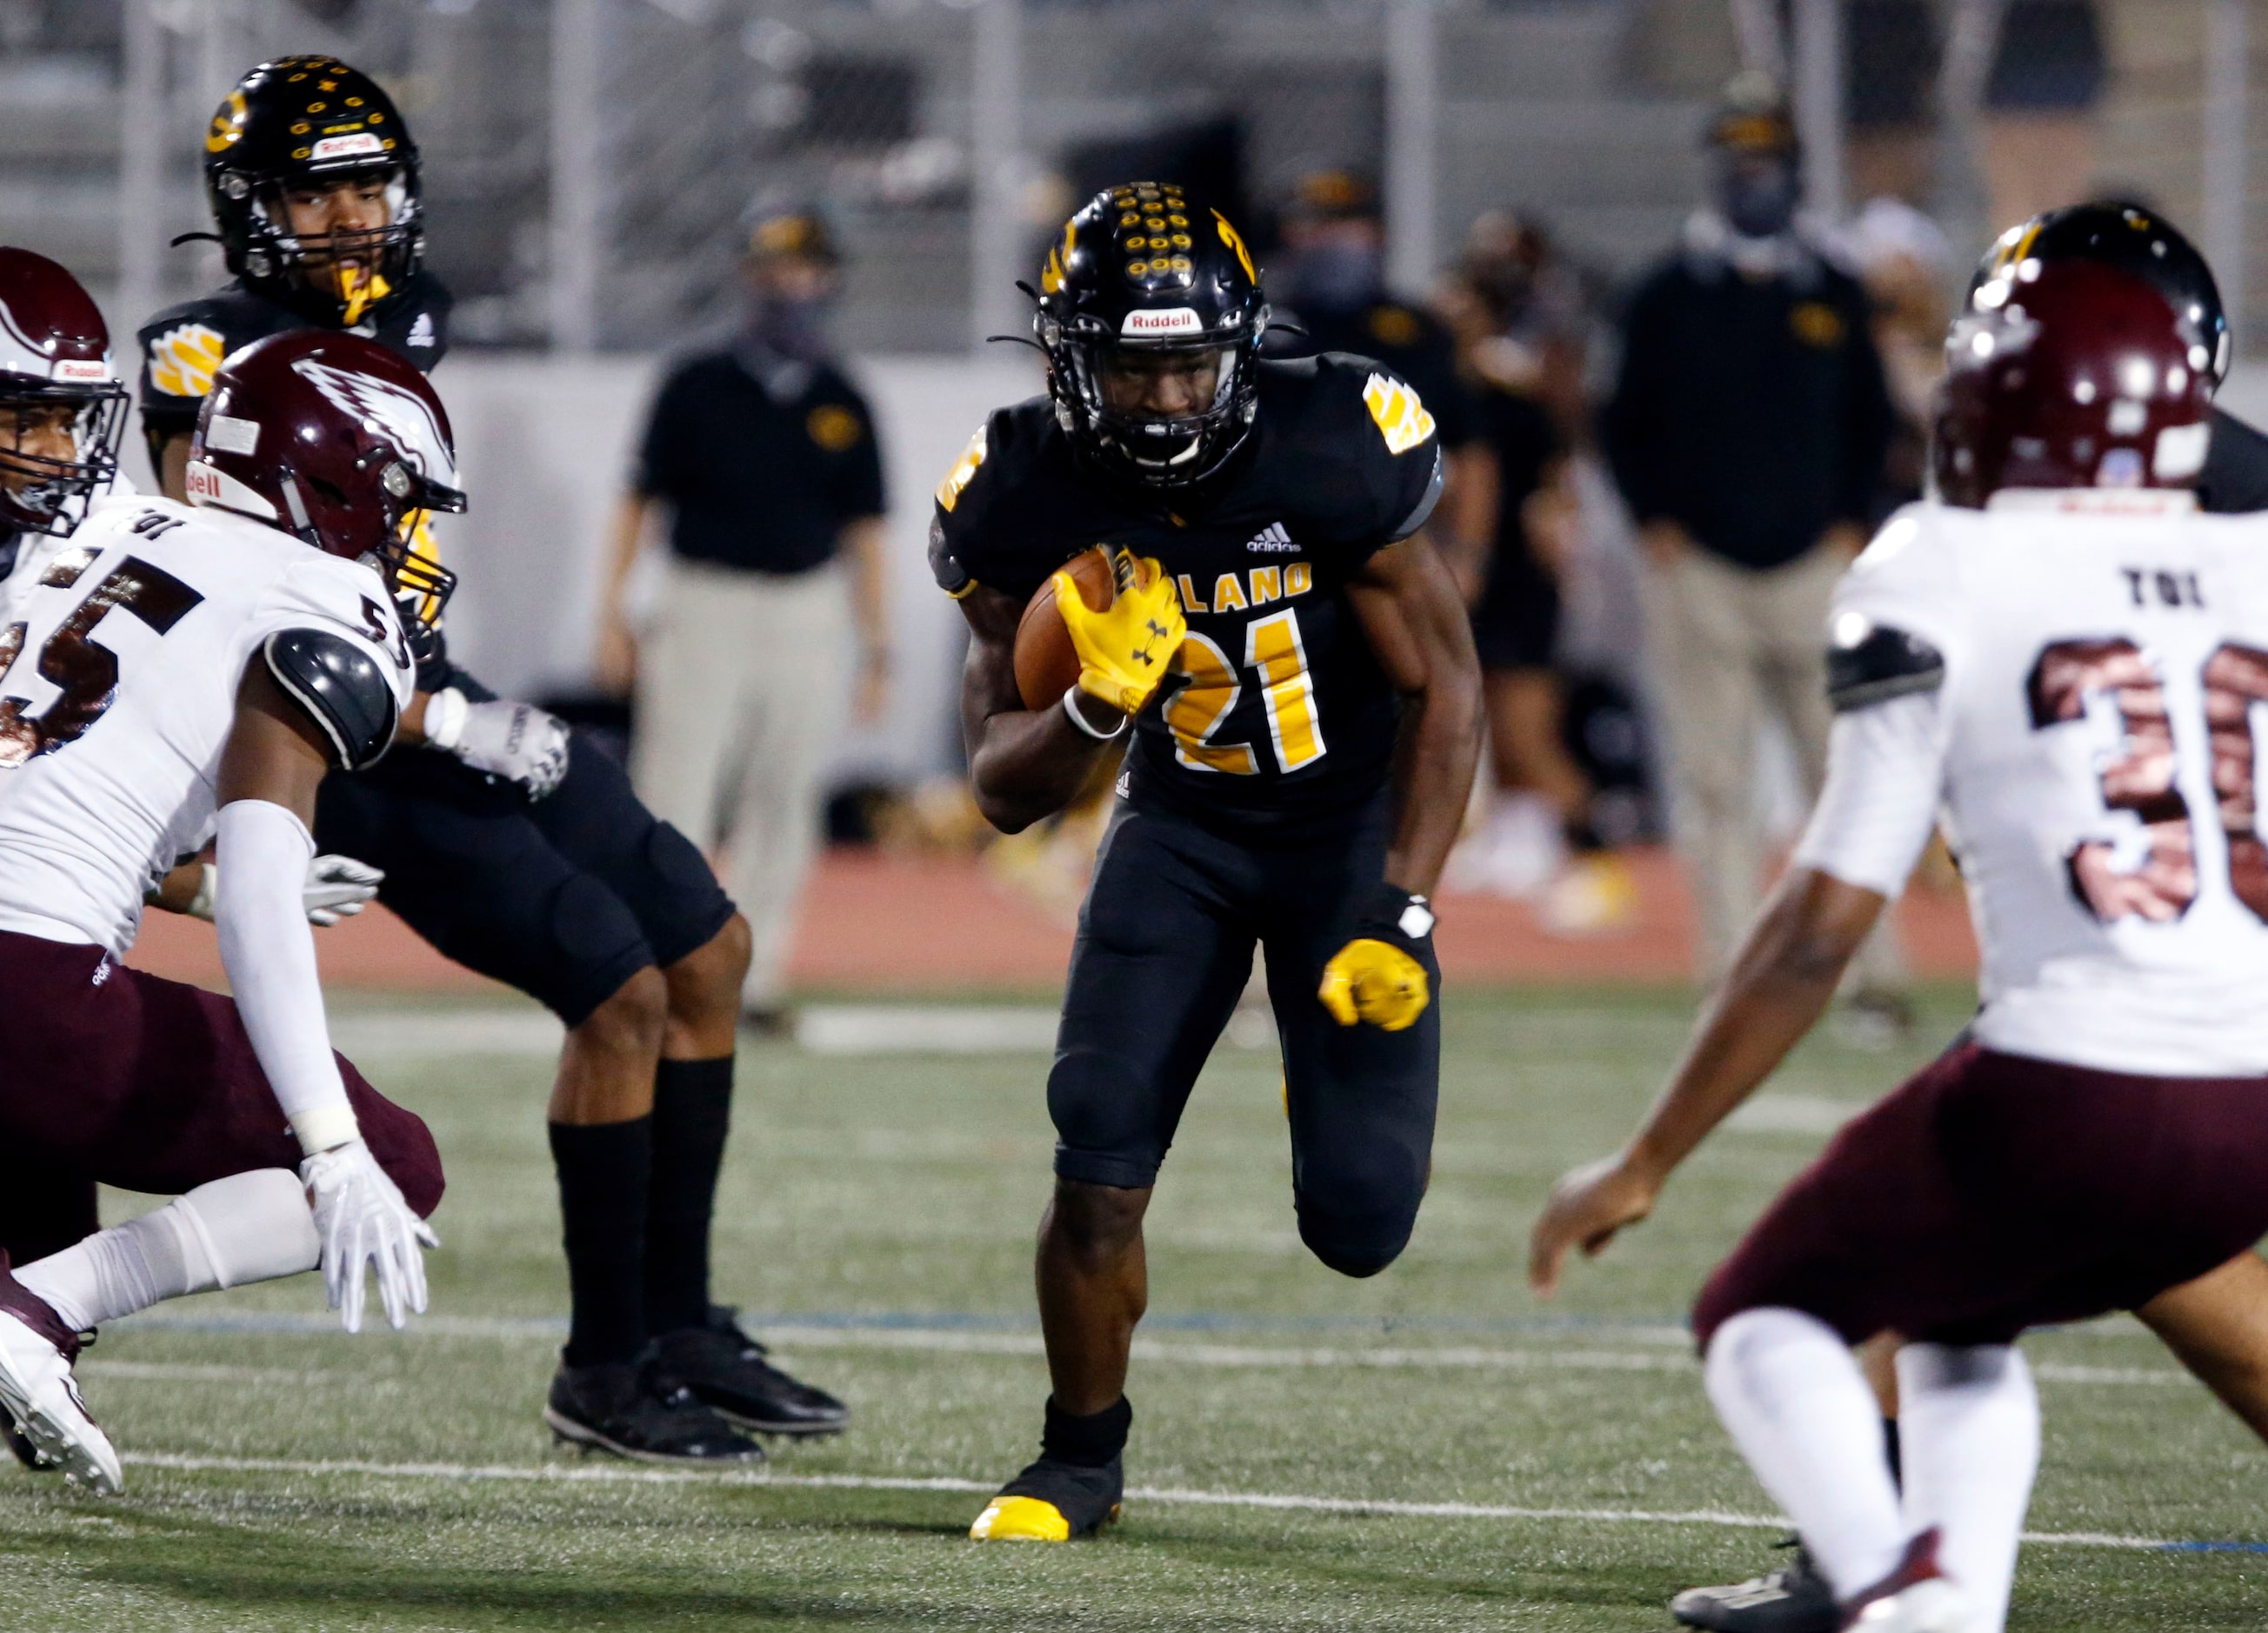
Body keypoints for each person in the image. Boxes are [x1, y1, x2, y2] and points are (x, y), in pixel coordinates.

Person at [1531, 244, 2268, 1631]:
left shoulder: (1966, 538)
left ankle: (1881, 1580)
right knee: (2011, 1272)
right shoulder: (2234, 520)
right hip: (2219, 1016)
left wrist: (1647, 1156)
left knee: (1810, 1297)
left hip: (2105, 1031)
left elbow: (1821, 922)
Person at [132, 56, 844, 1463]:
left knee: (709, 948)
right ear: (249, 206)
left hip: (431, 689)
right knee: (621, 990)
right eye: (314, 193)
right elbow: (223, 616)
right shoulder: (197, 360)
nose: (350, 219)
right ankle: (604, 1364)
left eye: (366, 187)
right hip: (345, 737)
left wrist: (449, 696)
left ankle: (681, 1315)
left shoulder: (413, 311)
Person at [934, 181, 1481, 1541]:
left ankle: (1321, 1057)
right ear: (1071, 362)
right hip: (1180, 830)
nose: (1171, 397)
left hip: (1344, 832)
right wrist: (1095, 704)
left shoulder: (1332, 440)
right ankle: (1077, 1457)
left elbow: (1451, 689)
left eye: (1193, 361)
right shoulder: (1021, 487)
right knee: (1097, 1152)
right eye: (1135, 366)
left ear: (1244, 345)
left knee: (1360, 1224)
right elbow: (1000, 791)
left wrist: (1402, 909)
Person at [0, 311, 454, 1495]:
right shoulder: (313, 597)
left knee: (47, 1172)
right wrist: (335, 1144)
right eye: (399, 500)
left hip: (23, 965)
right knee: (399, 1166)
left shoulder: (96, 533)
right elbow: (261, 868)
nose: (405, 538)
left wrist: (178, 885)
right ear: (337, 482)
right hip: (26, 988)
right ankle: (32, 1315)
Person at [1599, 72, 1909, 1033]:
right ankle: (1729, 977)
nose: (1753, 180)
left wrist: (1852, 521)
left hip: (1816, 567)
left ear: (1793, 173)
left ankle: (1866, 979)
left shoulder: (1836, 290)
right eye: (1739, 164)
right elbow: (1622, 422)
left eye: (1767, 164)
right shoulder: (1662, 296)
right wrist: (1656, 520)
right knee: (1713, 784)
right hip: (1700, 571)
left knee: (1846, 779)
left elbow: (1875, 423)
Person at [594, 205, 891, 1033]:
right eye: (773, 272)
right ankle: (660, 966)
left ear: (826, 281)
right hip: (702, 598)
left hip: (806, 607)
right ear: (748, 279)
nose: (789, 288)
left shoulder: (844, 395)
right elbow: (637, 505)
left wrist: (878, 646)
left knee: (784, 796)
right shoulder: (694, 382)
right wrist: (614, 615)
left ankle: (751, 982)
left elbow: (867, 529)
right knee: (675, 788)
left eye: (803, 272)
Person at [1437, 212, 1635, 930]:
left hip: (1513, 582)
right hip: (1486, 578)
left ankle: (1599, 861)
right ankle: (1521, 843)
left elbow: (1538, 488)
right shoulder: (1462, 390)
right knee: (1482, 722)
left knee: (1528, 730)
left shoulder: (1504, 397)